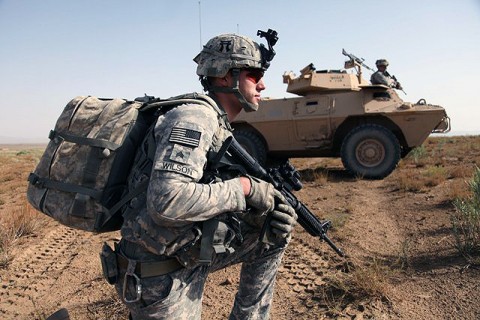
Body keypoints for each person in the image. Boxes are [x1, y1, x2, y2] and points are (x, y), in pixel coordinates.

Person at [112, 30, 298, 319]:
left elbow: (206, 192)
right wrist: (245, 187)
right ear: (225, 77)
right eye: (253, 74)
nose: (262, 84)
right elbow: (168, 202)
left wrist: (260, 214)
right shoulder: (195, 119)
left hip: (181, 251)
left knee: (271, 235)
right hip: (156, 274)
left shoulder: (217, 123)